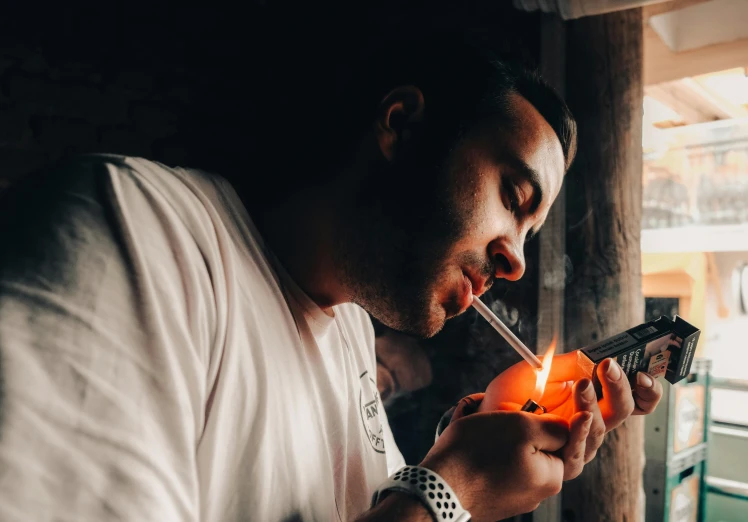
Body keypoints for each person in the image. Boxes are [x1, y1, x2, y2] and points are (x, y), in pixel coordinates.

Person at [0, 36, 662, 522]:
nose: (515, 259)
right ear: (401, 126)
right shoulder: (134, 227)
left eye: (529, 235)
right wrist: (450, 491)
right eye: (513, 197)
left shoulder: (349, 323)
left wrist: (479, 438)